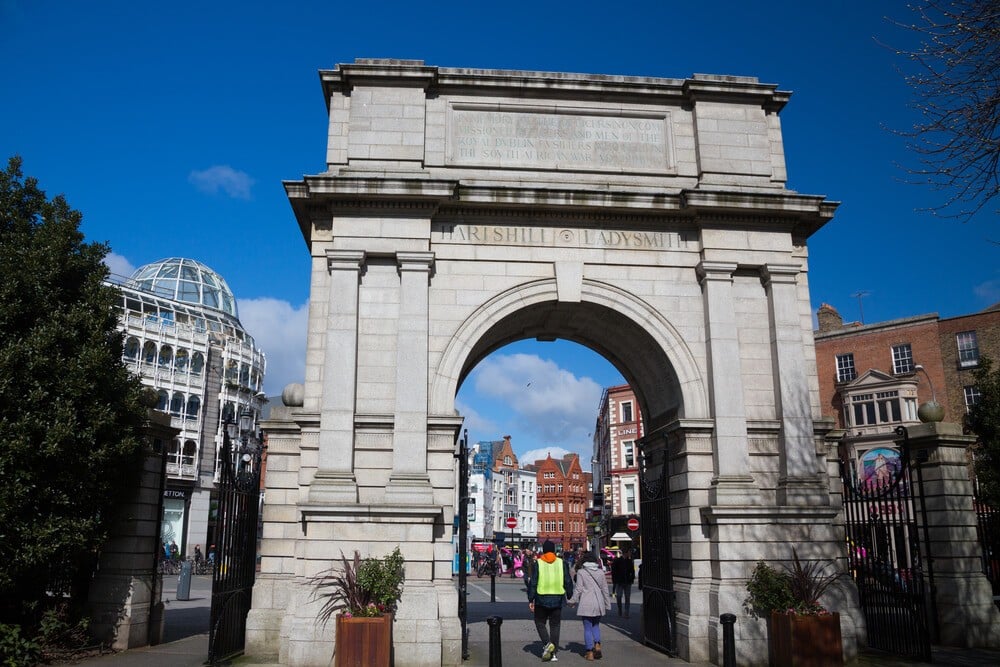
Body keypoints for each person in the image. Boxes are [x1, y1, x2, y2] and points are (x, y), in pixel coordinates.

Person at [527, 540, 574, 662]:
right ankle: (553, 653)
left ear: (543, 550)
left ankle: (547, 644)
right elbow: (568, 580)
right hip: (558, 598)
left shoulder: (538, 563)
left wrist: (530, 598)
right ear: (553, 550)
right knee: (555, 625)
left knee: (539, 622)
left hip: (541, 598)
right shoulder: (561, 563)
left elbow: (533, 582)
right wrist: (569, 594)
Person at [567, 550, 613, 661]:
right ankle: (597, 645)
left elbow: (578, 589)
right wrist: (607, 604)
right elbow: (605, 590)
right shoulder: (601, 572)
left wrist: (572, 601)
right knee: (596, 625)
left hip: (586, 603)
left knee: (587, 628)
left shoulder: (582, 572)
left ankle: (589, 652)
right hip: (598, 603)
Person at [610, 547, 635, 618]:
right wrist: (615, 580)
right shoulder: (617, 561)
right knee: (619, 596)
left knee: (627, 597)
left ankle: (626, 612)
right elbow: (614, 572)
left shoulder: (629, 561)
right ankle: (620, 609)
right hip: (619, 582)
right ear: (625, 553)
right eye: (629, 552)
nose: (629, 554)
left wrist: (631, 579)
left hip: (627, 581)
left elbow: (632, 571)